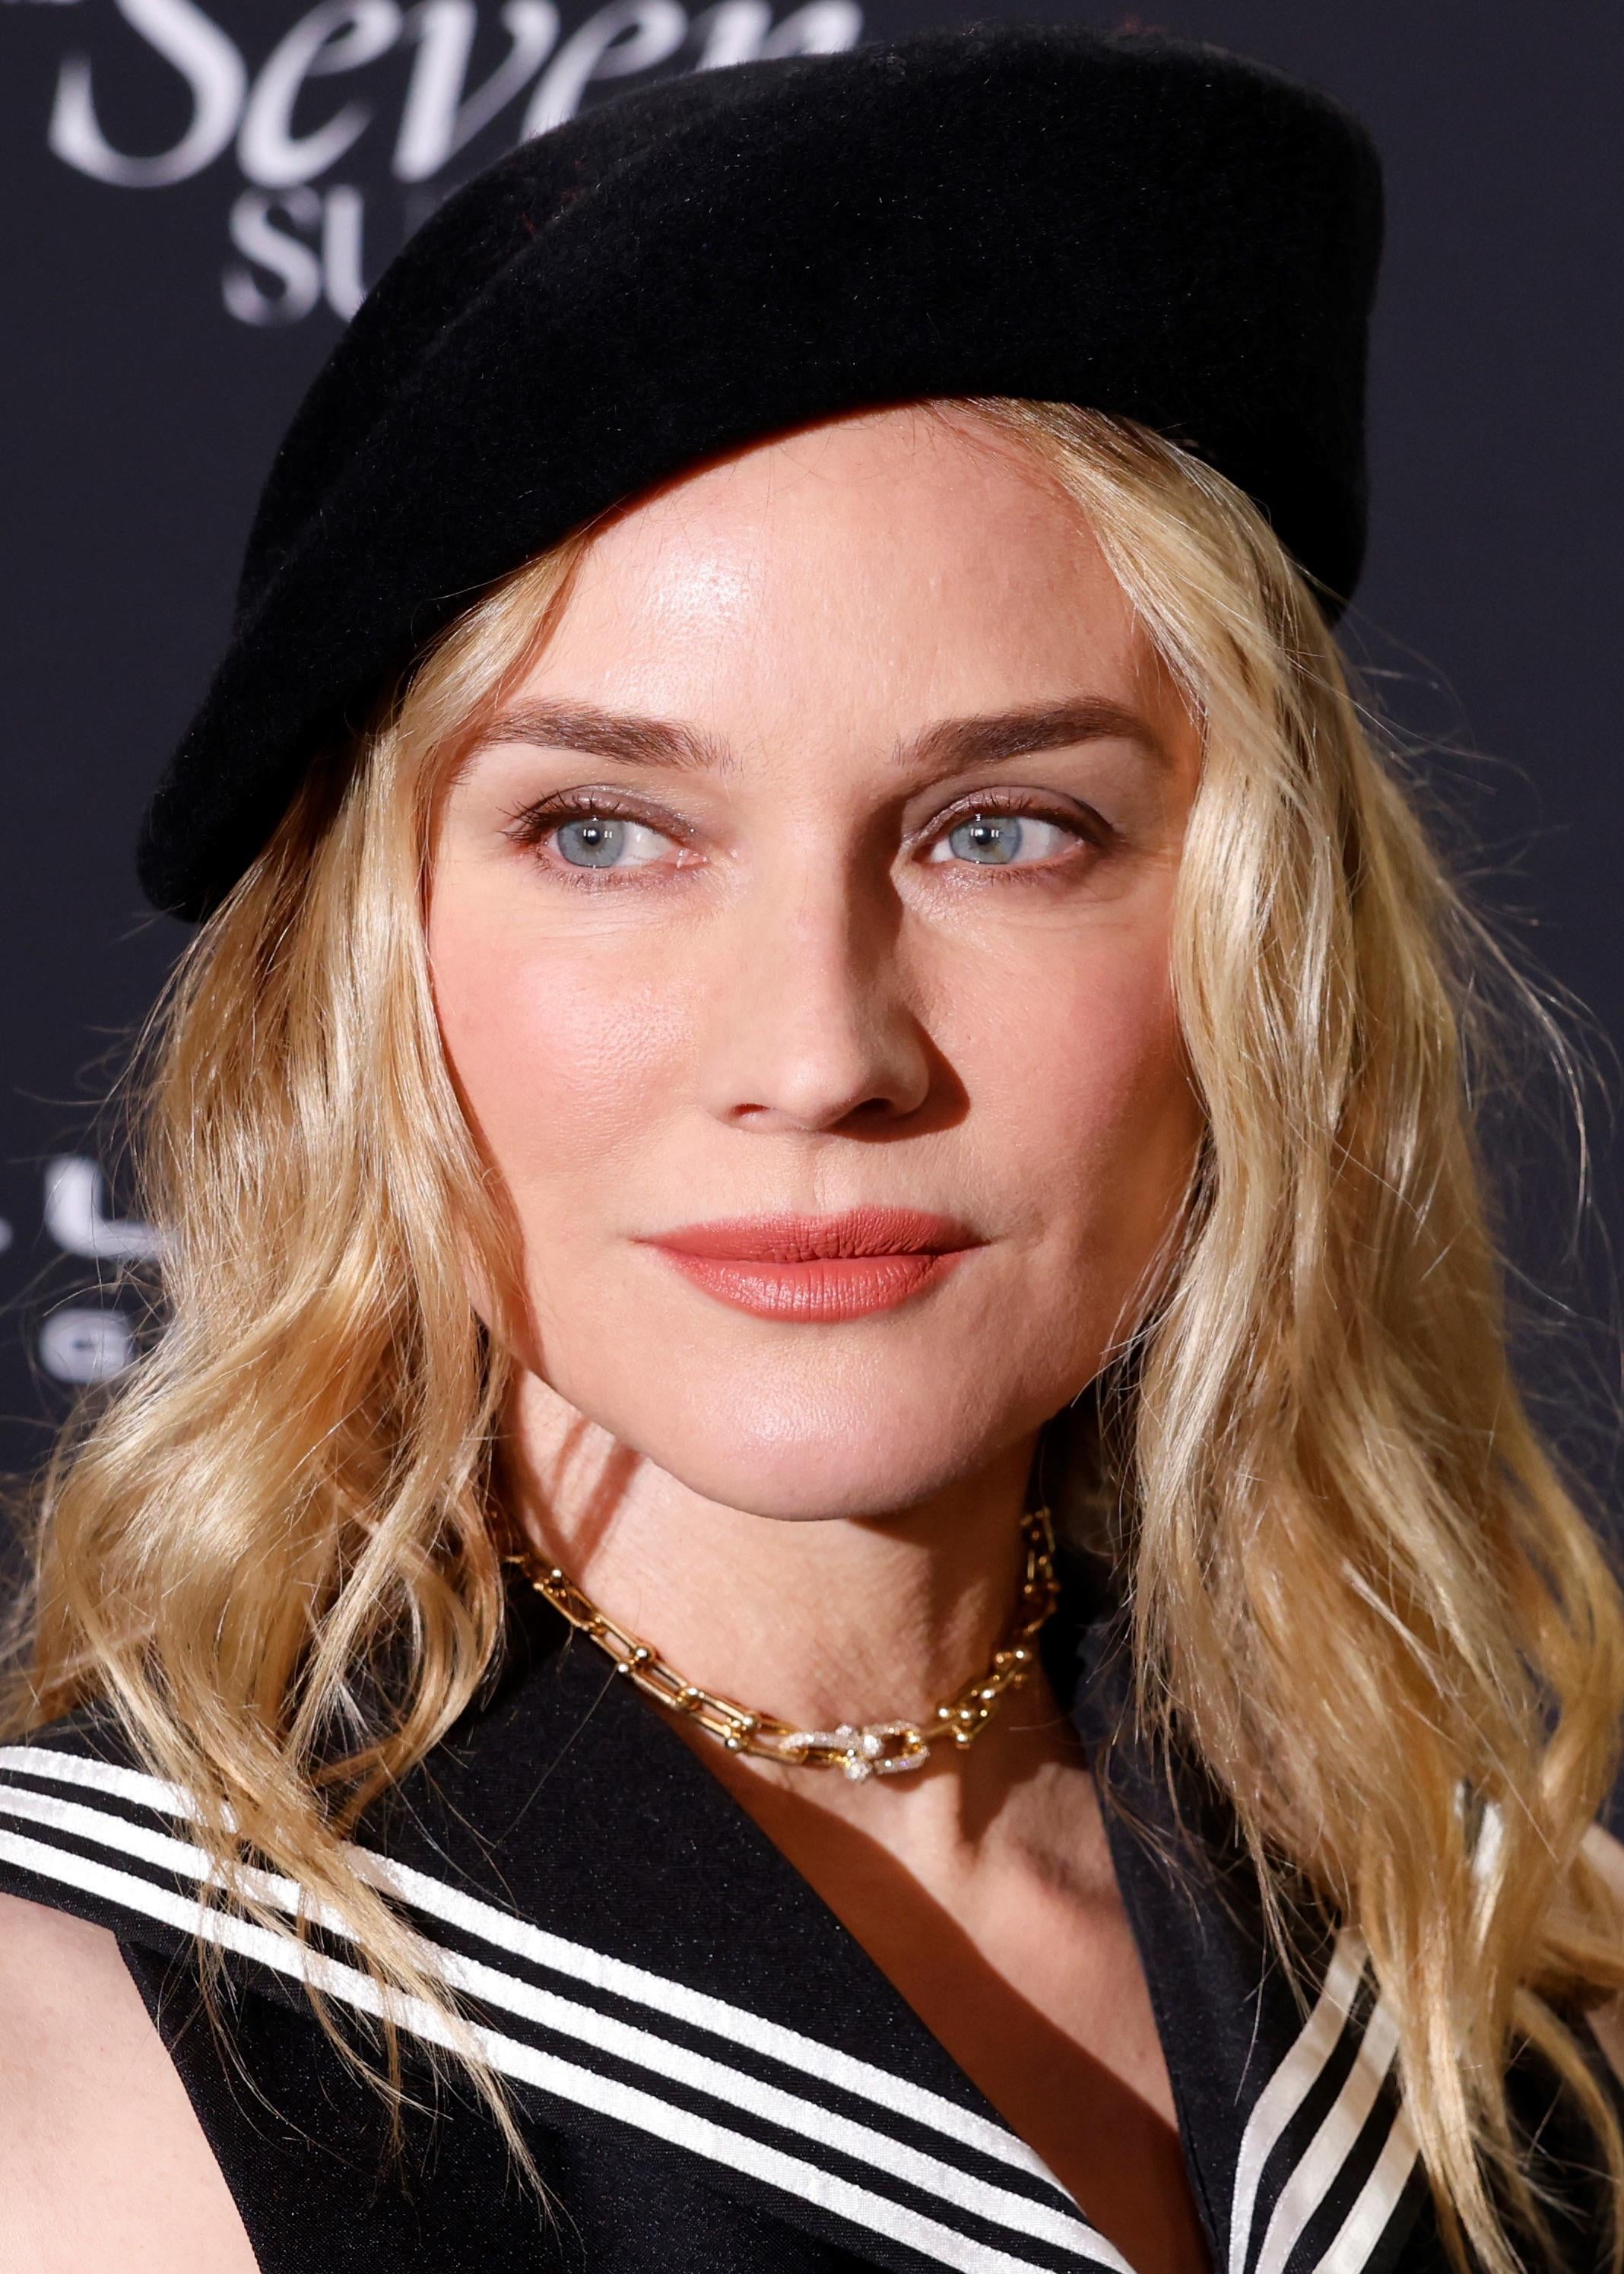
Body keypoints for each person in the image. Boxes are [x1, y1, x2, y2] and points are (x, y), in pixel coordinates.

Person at [0, 24, 1620, 2274]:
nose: (821, 1051)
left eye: (1003, 830)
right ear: (367, 967)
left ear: (1260, 950)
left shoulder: (1513, 1980)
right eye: (605, 831)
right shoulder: (77, 2060)